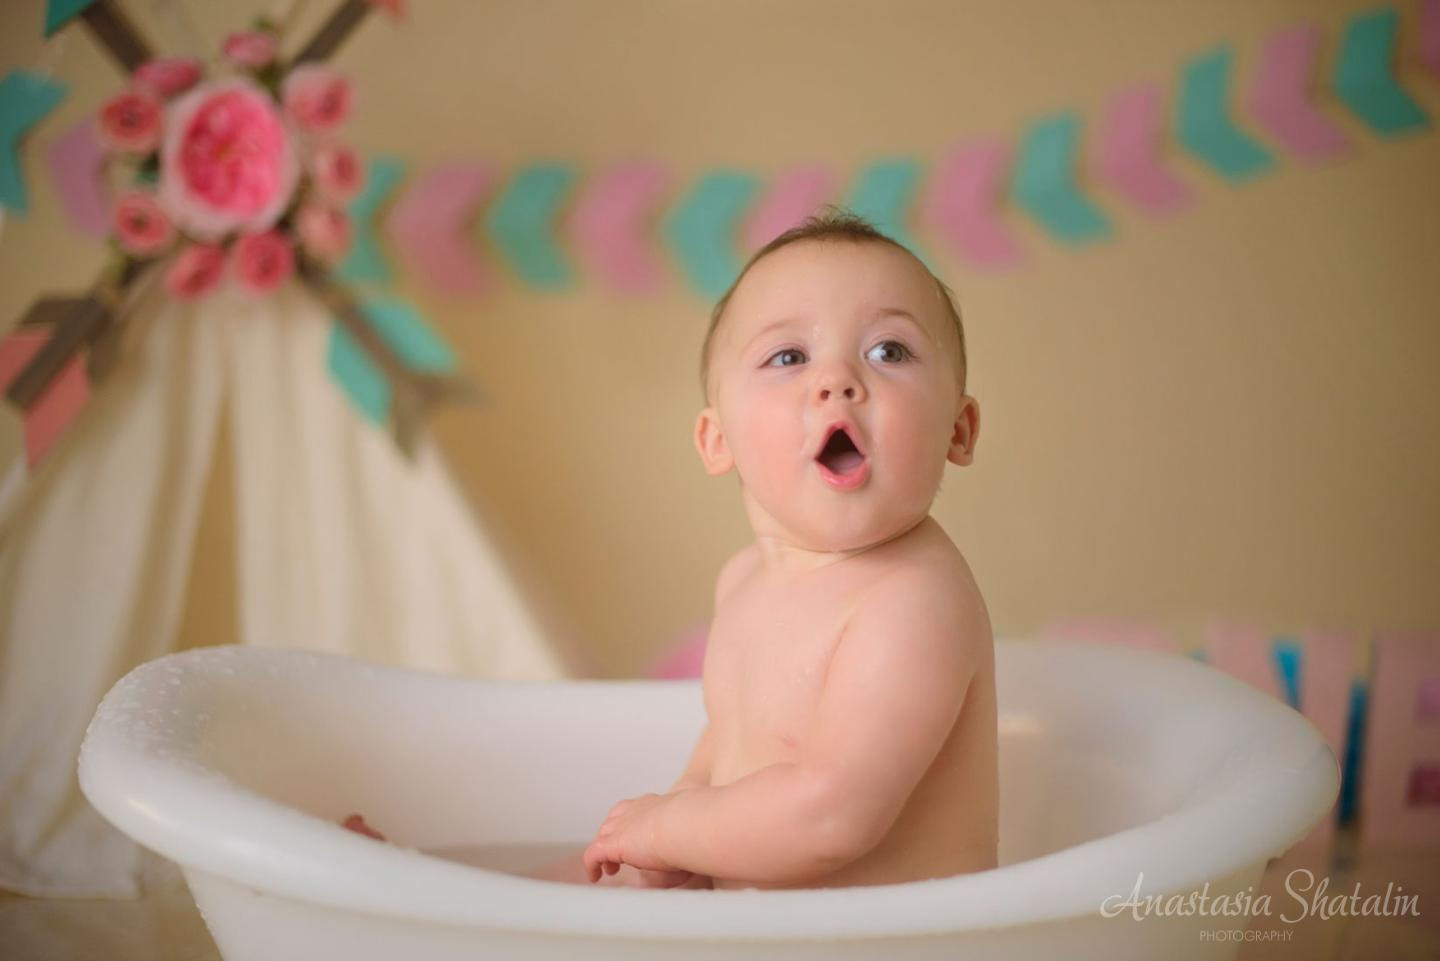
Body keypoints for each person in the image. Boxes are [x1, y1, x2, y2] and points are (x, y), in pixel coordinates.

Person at [537, 207, 997, 889]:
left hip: (890, 944)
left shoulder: (915, 602)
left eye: (888, 351)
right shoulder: (743, 581)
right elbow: (728, 743)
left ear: (958, 430)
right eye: (789, 357)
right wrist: (672, 839)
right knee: (559, 882)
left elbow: (832, 814)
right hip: (766, 927)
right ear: (716, 439)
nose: (837, 380)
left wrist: (668, 828)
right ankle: (406, 885)